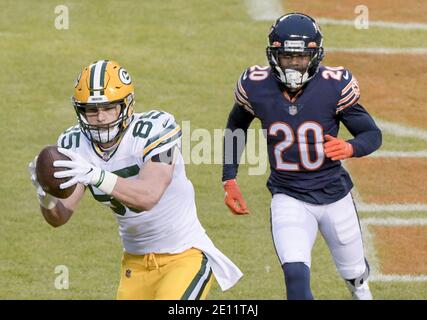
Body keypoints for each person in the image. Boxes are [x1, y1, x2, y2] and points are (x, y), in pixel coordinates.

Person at [28, 59, 242, 300]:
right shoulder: (74, 143)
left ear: (126, 105)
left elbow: (148, 197)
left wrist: (94, 175)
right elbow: (60, 217)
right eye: (92, 109)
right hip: (135, 264)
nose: (100, 117)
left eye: (110, 107)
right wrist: (44, 195)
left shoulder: (156, 129)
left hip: (185, 256)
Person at [222, 13, 382, 300]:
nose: (294, 64)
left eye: (301, 57)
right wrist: (229, 179)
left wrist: (350, 148)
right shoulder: (255, 84)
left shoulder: (335, 85)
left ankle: (360, 287)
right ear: (274, 55)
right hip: (288, 194)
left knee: (354, 273)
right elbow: (237, 125)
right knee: (295, 276)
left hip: (334, 194)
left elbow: (372, 134)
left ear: (315, 55)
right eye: (287, 56)